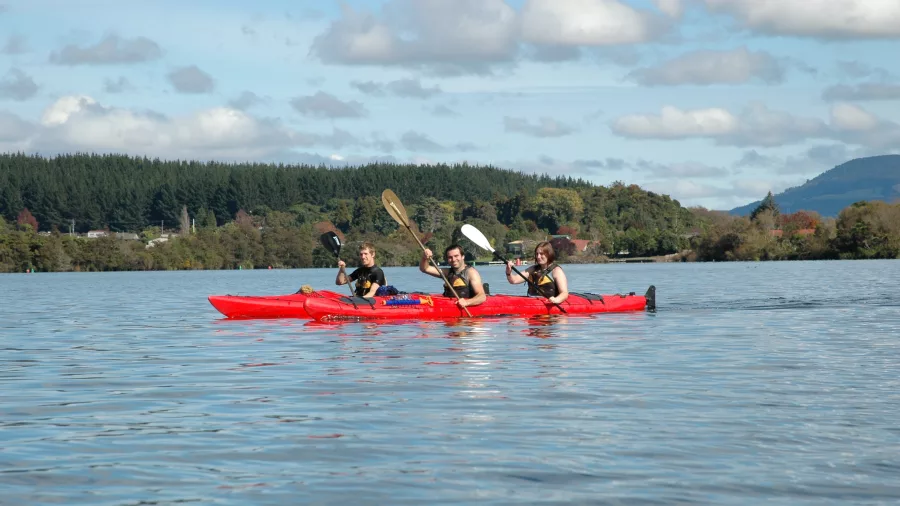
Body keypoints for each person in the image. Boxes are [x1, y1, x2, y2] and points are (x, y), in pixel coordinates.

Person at [420, 244, 486, 308]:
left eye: (456, 256)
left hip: (465, 306)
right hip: (448, 305)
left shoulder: (471, 272)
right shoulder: (447, 272)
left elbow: (482, 296)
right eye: (450, 257)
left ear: (463, 256)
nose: (453, 259)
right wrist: (424, 258)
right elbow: (425, 268)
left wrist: (467, 302)